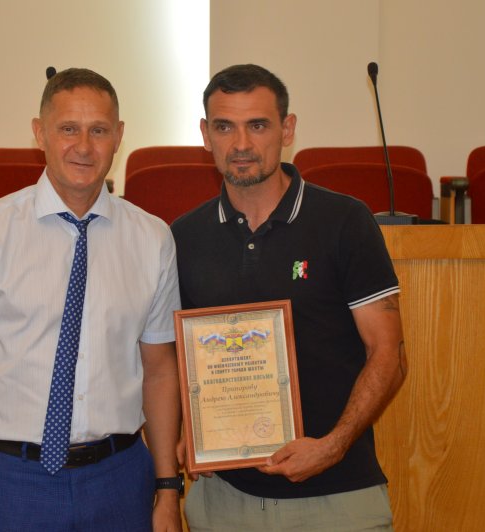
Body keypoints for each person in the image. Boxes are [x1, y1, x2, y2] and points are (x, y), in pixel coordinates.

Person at [0, 68, 183, 532]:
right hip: (13, 479)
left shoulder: (152, 239)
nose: (83, 146)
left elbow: (160, 371)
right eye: (69, 128)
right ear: (39, 133)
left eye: (99, 131)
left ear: (119, 136)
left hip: (121, 478)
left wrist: (168, 489)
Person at [171, 64, 407, 531]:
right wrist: (191, 431)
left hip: (338, 499)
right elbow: (177, 357)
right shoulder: (185, 236)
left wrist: (332, 446)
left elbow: (389, 353)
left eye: (257, 125)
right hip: (224, 501)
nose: (241, 144)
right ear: (205, 134)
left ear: (288, 129)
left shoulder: (344, 221)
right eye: (224, 127)